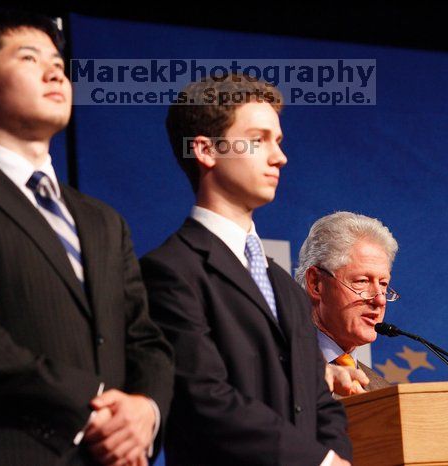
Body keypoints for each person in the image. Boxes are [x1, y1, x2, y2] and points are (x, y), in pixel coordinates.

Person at [0, 10, 173, 466]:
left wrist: (146, 410)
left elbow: (145, 339)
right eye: (29, 58)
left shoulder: (104, 220)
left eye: (59, 65)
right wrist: (96, 407)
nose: (55, 72)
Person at [139, 75, 352, 466]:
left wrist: (335, 456)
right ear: (205, 150)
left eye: (279, 141)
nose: (279, 157)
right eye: (259, 139)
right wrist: (317, 461)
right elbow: (204, 398)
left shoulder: (285, 288)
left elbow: (320, 400)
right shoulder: (170, 271)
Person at [295, 211, 398, 396]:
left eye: (383, 284)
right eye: (362, 281)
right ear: (316, 284)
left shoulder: (383, 391)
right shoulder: (277, 370)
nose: (380, 299)